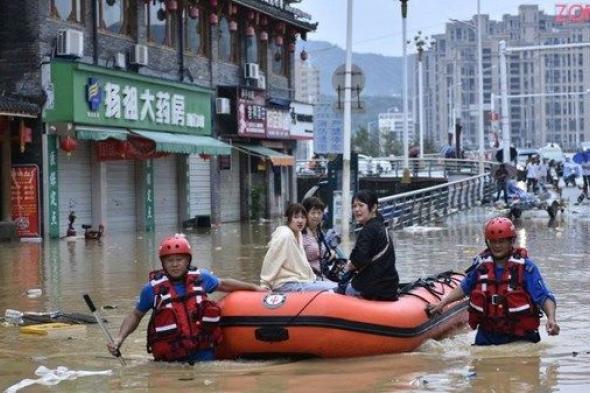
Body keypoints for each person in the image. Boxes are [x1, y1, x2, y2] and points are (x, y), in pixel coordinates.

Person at [106, 234, 264, 363]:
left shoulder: (201, 278)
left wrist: (254, 288)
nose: (174, 265)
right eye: (169, 261)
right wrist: (119, 339)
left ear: (187, 261)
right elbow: (136, 315)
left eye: (179, 260)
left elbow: (224, 284)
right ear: (163, 263)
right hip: (170, 360)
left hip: (204, 354)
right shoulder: (152, 289)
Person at [427, 217, 560, 345]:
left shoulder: (526, 268)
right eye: (493, 241)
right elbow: (464, 288)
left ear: (511, 241)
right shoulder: (481, 267)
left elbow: (544, 297)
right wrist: (442, 303)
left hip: (521, 337)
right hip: (487, 335)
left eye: (501, 241)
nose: (497, 246)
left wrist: (551, 319)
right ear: (487, 242)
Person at [260, 203, 336, 292]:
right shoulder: (285, 236)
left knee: (337, 286)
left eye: (303, 217)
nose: (300, 221)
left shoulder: (298, 234)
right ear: (288, 219)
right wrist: (265, 284)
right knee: (335, 288)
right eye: (296, 217)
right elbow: (271, 260)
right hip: (286, 284)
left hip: (300, 281)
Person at [342, 190, 399, 301]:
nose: (356, 210)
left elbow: (359, 259)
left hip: (371, 289)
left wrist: (349, 265)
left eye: (361, 205)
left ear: (373, 207)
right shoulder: (380, 226)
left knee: (336, 291)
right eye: (354, 206)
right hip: (388, 288)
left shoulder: (369, 230)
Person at [301, 197, 335, 276]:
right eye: (313, 213)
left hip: (322, 274)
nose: (316, 216)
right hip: (308, 277)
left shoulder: (319, 232)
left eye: (319, 213)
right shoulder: (300, 235)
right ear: (305, 214)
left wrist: (330, 254)